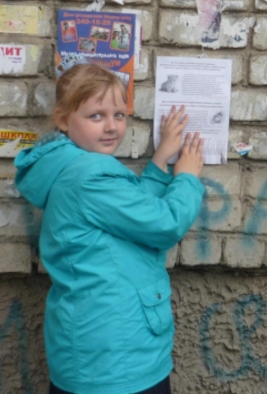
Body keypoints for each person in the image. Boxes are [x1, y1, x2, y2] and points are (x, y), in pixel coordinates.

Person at [14, 64, 204, 394]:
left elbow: (130, 215)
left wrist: (159, 162)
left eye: (119, 114)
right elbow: (164, 224)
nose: (112, 126)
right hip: (116, 358)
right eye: (96, 116)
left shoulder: (72, 168)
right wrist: (187, 177)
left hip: (98, 351)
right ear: (63, 120)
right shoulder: (90, 175)